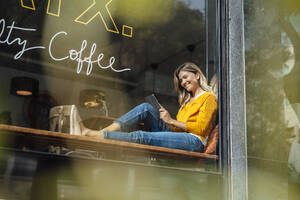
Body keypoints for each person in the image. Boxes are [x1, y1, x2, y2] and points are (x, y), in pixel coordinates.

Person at [80, 62, 218, 152]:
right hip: (181, 137)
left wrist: (171, 121)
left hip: (195, 142)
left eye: (185, 77)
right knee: (146, 107)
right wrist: (165, 118)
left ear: (197, 75)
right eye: (181, 80)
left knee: (142, 136)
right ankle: (104, 131)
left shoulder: (208, 98)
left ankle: (99, 136)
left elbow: (201, 128)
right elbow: (177, 129)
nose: (183, 82)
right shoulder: (186, 102)